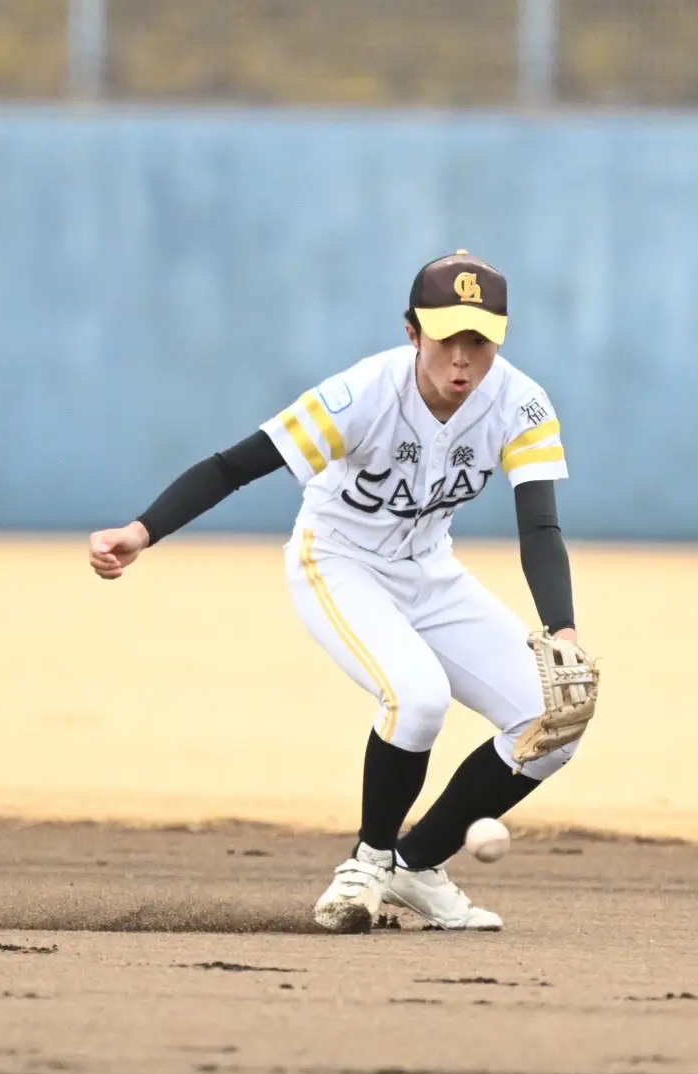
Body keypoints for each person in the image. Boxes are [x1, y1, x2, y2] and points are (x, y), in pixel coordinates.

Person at [87, 250, 587, 933]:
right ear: (413, 332)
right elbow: (235, 466)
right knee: (417, 697)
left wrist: (562, 630)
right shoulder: (362, 395)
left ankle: (416, 867)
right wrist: (143, 531)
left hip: (429, 572)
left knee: (555, 720)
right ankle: (366, 864)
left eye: (479, 340)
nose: (461, 359)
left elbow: (540, 527)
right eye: (446, 337)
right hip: (337, 562)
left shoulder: (520, 403)